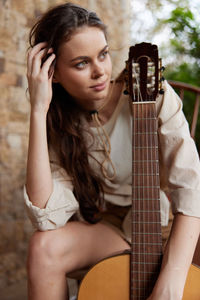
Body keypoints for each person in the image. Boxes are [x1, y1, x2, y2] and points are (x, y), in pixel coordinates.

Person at [24, 2, 200, 300]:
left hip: (167, 224)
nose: (100, 72)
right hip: (112, 228)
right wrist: (38, 109)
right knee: (43, 249)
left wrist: (168, 287)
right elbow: (47, 218)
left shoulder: (148, 91)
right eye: (81, 63)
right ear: (53, 73)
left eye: (103, 55)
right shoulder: (59, 122)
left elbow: (190, 189)